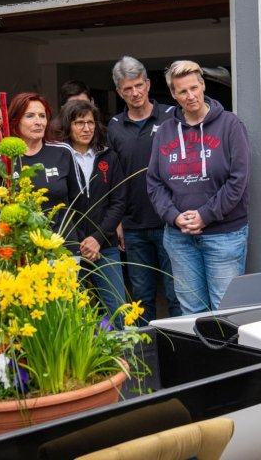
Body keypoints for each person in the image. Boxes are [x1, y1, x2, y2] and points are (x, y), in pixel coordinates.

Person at [147, 60, 250, 314]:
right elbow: (154, 181)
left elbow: (238, 179)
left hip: (224, 235)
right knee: (191, 310)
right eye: (182, 91)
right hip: (179, 238)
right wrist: (173, 216)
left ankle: (229, 356)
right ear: (173, 94)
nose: (190, 96)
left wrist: (206, 215)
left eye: (194, 88)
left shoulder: (230, 125)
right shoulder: (164, 132)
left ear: (203, 85)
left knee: (226, 311)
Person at [108, 55, 181, 323]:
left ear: (148, 84)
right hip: (133, 225)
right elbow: (112, 178)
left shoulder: (172, 116)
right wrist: (116, 221)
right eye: (128, 89)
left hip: (169, 222)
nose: (135, 93)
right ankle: (146, 356)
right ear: (119, 92)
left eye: (139, 85)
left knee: (176, 294)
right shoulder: (114, 127)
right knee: (141, 297)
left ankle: (179, 351)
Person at [56, 99, 128, 325]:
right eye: (79, 123)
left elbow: (118, 202)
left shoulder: (108, 156)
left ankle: (125, 359)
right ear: (68, 125)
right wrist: (79, 243)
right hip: (69, 248)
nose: (86, 128)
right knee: (69, 314)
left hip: (104, 246)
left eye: (90, 122)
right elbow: (60, 204)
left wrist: (96, 239)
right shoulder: (58, 157)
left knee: (118, 311)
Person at [0, 92, 83, 244]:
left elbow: (79, 201)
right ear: (15, 121)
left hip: (63, 245)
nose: (39, 122)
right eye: (30, 116)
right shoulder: (1, 160)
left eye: (42, 116)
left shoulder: (63, 152)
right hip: (21, 250)